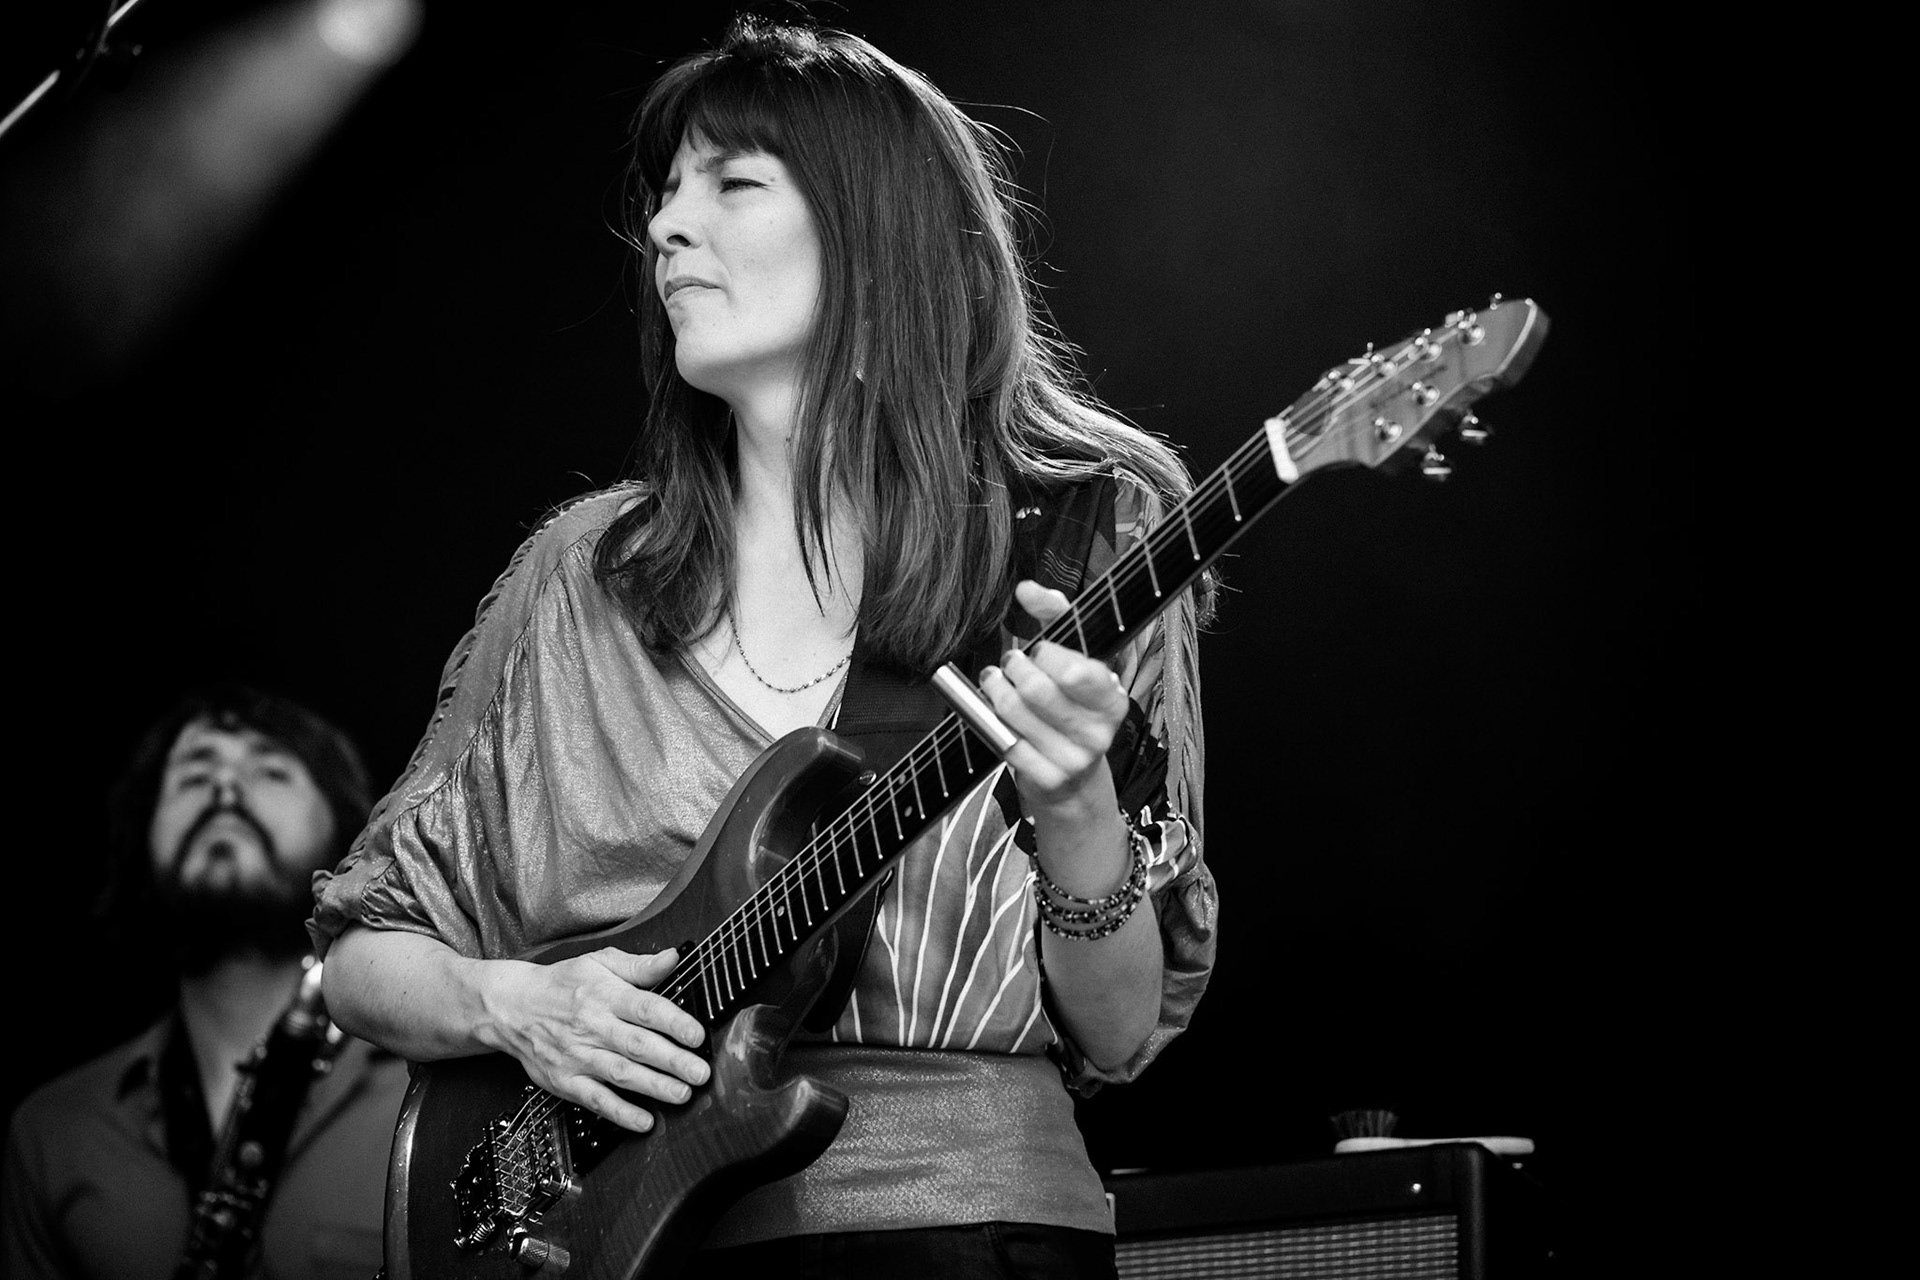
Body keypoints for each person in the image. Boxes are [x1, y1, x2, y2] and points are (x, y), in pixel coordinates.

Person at [310, 14, 1216, 1279]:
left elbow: (1119, 1033)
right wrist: (518, 1007)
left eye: (731, 183)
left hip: (964, 1233)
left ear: (873, 229)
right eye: (667, 194)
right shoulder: (584, 577)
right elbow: (361, 953)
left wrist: (1074, 813)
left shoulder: (1077, 528)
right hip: (614, 1240)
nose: (668, 227)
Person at [2, 685, 411, 1280]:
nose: (226, 791)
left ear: (349, 835)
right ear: (143, 836)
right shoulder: (53, 1133)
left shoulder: (426, 1095)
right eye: (195, 776)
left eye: (270, 770)